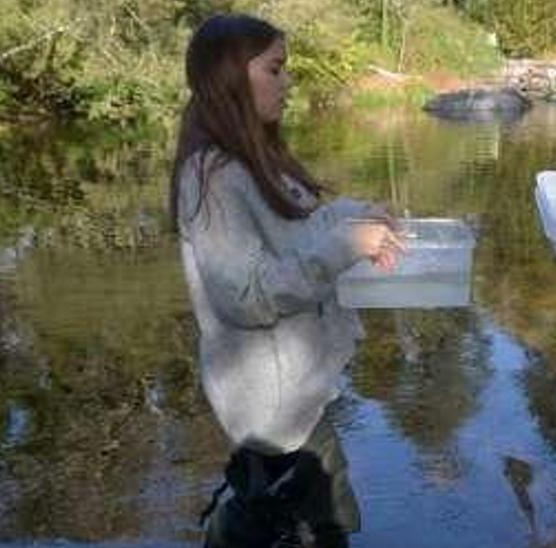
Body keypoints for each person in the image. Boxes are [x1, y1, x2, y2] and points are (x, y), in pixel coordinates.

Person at [169, 14, 403, 547]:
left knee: (301, 514)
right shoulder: (211, 178)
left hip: (296, 396)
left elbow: (296, 232)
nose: (287, 81)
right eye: (275, 69)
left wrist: (355, 216)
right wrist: (345, 248)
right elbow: (246, 296)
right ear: (230, 77)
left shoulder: (255, 158)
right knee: (314, 524)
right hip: (272, 407)